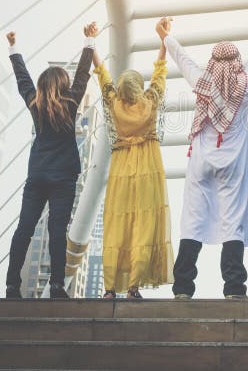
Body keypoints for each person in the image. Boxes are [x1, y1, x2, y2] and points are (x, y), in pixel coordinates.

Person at [166, 9, 248, 300]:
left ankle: (183, 288)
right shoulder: (245, 83)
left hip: (201, 160)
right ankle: (234, 288)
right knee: (232, 222)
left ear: (213, 62)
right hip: (234, 163)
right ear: (235, 62)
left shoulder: (202, 81)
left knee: (193, 219)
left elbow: (183, 59)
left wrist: (166, 37)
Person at [4, 24, 95, 299]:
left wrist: (13, 47)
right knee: (58, 230)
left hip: (37, 176)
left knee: (24, 228)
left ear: (43, 86)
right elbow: (82, 76)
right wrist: (90, 40)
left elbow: (23, 80)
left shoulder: (35, 103)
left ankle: (11, 286)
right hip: (63, 178)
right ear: (63, 85)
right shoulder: (70, 103)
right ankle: (57, 285)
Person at [92, 18, 173, 299]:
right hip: (149, 167)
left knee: (117, 225)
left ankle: (110, 288)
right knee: (144, 224)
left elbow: (102, 76)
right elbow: (160, 72)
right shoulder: (150, 102)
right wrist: (164, 39)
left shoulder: (114, 104)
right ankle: (134, 286)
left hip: (121, 169)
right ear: (139, 87)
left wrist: (91, 44)